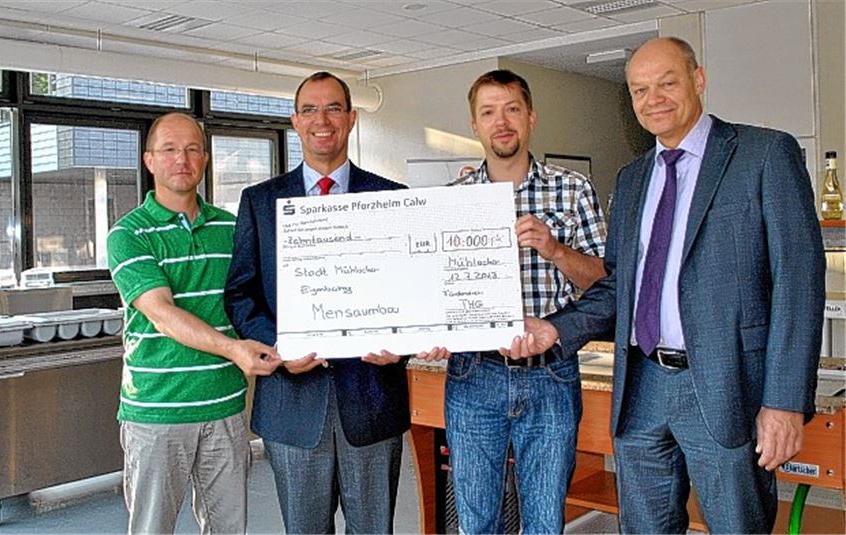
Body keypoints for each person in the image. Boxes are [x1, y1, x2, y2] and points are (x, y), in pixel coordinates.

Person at [515, 37, 825, 533]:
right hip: (641, 387)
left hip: (725, 387)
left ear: (698, 80)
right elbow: (620, 288)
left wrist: (784, 402)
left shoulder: (764, 154)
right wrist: (556, 330)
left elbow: (800, 285)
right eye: (640, 90)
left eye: (667, 83)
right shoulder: (633, 178)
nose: (653, 99)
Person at [224, 72, 446, 534]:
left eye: (332, 109)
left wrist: (401, 343)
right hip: (292, 408)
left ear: (351, 118)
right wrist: (281, 347)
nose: (321, 120)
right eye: (309, 110)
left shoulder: (391, 199)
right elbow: (240, 295)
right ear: (295, 122)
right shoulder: (260, 202)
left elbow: (413, 293)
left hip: (371, 403)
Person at [441, 69, 607, 534]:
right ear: (475, 125)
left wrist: (553, 248)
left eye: (512, 109)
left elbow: (604, 281)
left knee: (545, 519)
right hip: (475, 373)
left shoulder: (572, 191)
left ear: (530, 117)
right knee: (476, 521)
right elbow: (438, 292)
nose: (502, 122)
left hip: (551, 374)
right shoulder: (452, 201)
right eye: (488, 112)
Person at [107, 112, 281, 535]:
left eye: (192, 149)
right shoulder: (128, 234)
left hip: (225, 408)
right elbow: (162, 314)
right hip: (156, 412)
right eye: (168, 149)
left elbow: (256, 300)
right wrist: (233, 349)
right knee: (153, 529)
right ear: (149, 160)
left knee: (228, 529)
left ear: (205, 158)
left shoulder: (231, 228)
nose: (181, 159)